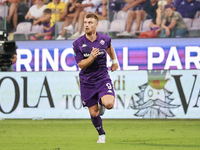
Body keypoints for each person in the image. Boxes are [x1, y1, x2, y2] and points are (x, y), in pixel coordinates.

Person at [73, 13, 118, 143]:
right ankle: (101, 134)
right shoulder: (78, 43)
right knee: (93, 113)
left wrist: (114, 61)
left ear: (96, 25)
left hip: (102, 77)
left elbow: (109, 46)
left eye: (90, 23)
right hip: (87, 81)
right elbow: (81, 65)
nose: (86, 25)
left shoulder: (104, 39)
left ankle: (102, 103)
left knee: (109, 104)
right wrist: (92, 57)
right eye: (85, 22)